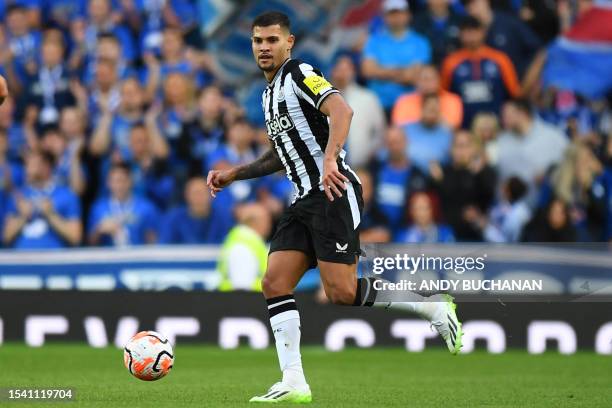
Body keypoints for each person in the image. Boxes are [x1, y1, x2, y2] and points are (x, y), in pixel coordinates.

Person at [206, 12, 462, 404]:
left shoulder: (300, 73)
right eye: (258, 41)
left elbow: (342, 110)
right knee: (275, 282)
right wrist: (234, 174)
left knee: (341, 293)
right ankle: (294, 382)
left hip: (332, 193)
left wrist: (330, 158)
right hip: (302, 200)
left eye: (272, 40)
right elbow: (281, 155)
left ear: (288, 42)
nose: (263, 47)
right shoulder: (269, 93)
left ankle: (431, 308)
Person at [441, 16, 521, 128]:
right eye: (466, 32)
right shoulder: (451, 62)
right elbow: (444, 96)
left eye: (474, 31)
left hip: (497, 126)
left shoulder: (500, 59)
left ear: (483, 32)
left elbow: (514, 93)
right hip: (463, 127)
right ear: (460, 34)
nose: (471, 36)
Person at [361, 0, 432, 112]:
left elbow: (412, 77)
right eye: (391, 13)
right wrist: (401, 71)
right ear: (384, 17)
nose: (396, 17)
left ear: (408, 15)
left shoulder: (420, 42)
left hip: (410, 105)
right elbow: (368, 71)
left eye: (399, 13)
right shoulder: (374, 41)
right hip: (378, 104)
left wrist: (381, 71)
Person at [3, 150, 82, 249]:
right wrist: (23, 217)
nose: (27, 167)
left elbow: (75, 237)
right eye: (27, 163)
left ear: (46, 167)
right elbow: (6, 237)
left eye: (33, 163)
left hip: (54, 259)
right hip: (21, 260)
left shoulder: (66, 195)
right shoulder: (18, 196)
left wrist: (51, 215)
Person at [496, 99, 568, 204]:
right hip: (512, 209)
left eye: (507, 115)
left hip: (547, 205)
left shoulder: (553, 136)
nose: (503, 120)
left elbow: (569, 165)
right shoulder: (501, 141)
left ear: (522, 113)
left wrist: (549, 175)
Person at [331, 54, 385, 168]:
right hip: (328, 168)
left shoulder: (368, 98)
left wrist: (370, 154)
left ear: (353, 72)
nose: (343, 73)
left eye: (347, 69)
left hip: (363, 167)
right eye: (339, 69)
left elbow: (380, 132)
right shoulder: (319, 99)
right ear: (332, 70)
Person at [88, 163, 159, 247]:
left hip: (138, 257)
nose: (119, 186)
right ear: (108, 183)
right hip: (108, 257)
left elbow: (153, 242)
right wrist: (99, 230)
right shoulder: (98, 208)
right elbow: (90, 243)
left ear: (130, 181)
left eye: (122, 180)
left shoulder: (146, 208)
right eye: (114, 181)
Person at [216, 203, 272, 291]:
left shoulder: (249, 241)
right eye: (266, 220)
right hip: (242, 301)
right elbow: (241, 286)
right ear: (253, 222)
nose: (269, 225)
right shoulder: (242, 246)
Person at [159, 177, 230, 244]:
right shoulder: (174, 219)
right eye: (195, 193)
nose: (199, 198)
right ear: (186, 195)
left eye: (203, 193)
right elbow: (165, 247)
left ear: (211, 195)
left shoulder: (222, 218)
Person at [391, 65, 463, 129]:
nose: (428, 83)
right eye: (424, 79)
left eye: (431, 79)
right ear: (416, 82)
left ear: (439, 80)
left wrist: (436, 117)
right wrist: (424, 119)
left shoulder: (453, 100)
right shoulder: (404, 101)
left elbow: (454, 127)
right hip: (413, 142)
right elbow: (399, 128)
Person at [403, 93, 453, 173]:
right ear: (422, 109)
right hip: (406, 174)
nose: (432, 114)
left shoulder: (447, 135)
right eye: (430, 109)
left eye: (435, 110)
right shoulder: (406, 129)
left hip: (432, 179)